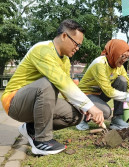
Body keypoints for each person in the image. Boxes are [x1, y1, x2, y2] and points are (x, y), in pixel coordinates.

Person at [1, 19, 104, 155]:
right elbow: (62, 83)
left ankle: (31, 129)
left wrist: (83, 108)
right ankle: (42, 141)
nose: (77, 48)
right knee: (47, 83)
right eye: (76, 44)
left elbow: (66, 90)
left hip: (35, 102)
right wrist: (91, 107)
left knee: (77, 115)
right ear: (64, 36)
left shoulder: (65, 60)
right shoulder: (42, 50)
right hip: (15, 102)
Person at [76, 39, 129, 130]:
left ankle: (117, 119)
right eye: (122, 56)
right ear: (115, 52)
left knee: (122, 80)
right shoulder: (100, 64)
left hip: (99, 95)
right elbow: (108, 91)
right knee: (106, 112)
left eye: (127, 57)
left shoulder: (119, 66)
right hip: (86, 95)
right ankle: (82, 119)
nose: (124, 60)